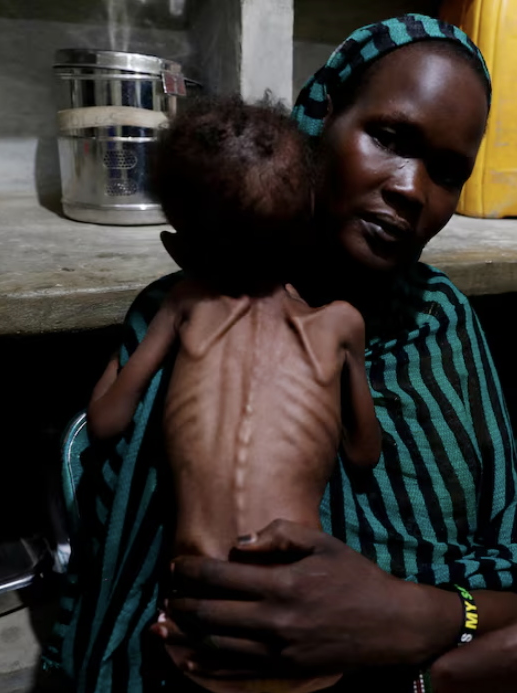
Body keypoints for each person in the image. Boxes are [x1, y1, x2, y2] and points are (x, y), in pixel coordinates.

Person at [42, 14, 517, 693]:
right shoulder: (187, 309)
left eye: (447, 172)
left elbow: (509, 564)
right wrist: (472, 661)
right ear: (318, 120)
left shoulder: (440, 322)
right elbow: (127, 587)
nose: (412, 190)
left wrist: (416, 615)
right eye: (388, 137)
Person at [84, 94, 382, 693]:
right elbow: (363, 454)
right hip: (306, 637)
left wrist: (125, 351)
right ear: (305, 239)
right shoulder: (339, 325)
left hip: (199, 637)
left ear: (178, 251)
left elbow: (105, 422)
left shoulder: (183, 306)